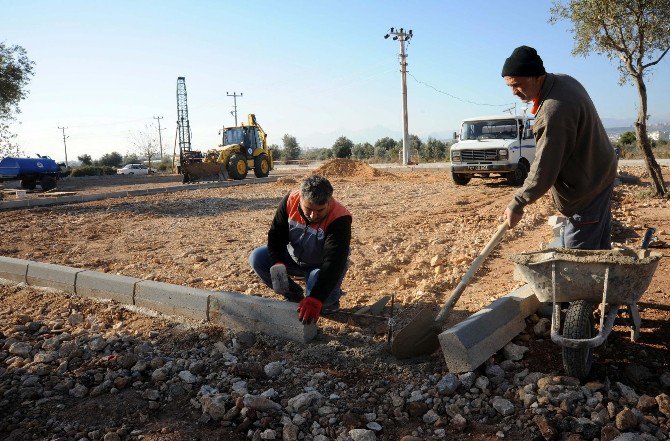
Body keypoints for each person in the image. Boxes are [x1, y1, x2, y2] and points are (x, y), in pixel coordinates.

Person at [501, 45, 618, 250]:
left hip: (587, 186)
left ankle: (587, 281)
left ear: (537, 77)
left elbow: (544, 167)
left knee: (578, 256)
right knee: (596, 247)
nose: (514, 92)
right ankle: (602, 278)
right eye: (510, 86)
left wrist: (517, 203)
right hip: (599, 171)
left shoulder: (553, 111)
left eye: (518, 84)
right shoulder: (562, 80)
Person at [249, 175, 351, 324]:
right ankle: (294, 295)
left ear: (329, 202)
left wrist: (316, 298)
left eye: (320, 211)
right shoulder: (290, 201)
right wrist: (277, 261)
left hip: (321, 267)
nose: (312, 215)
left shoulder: (339, 218)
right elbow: (276, 235)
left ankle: (331, 300)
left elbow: (334, 262)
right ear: (301, 198)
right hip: (293, 258)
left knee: (321, 301)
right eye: (309, 209)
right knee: (258, 257)